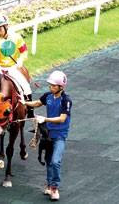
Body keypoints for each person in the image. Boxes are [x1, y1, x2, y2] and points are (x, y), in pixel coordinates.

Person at [20, 70, 72, 202]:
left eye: (54, 85)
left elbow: (62, 119)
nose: (51, 87)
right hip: (47, 134)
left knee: (56, 161)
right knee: (48, 161)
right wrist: (24, 102)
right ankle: (49, 184)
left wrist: (45, 119)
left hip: (60, 135)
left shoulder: (66, 100)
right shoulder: (48, 96)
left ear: (61, 86)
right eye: (50, 85)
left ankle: (55, 188)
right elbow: (37, 103)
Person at [0, 14, 34, 117]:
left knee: (26, 88)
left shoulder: (16, 37)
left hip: (12, 68)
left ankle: (30, 112)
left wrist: (20, 60)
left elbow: (24, 51)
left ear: (6, 26)